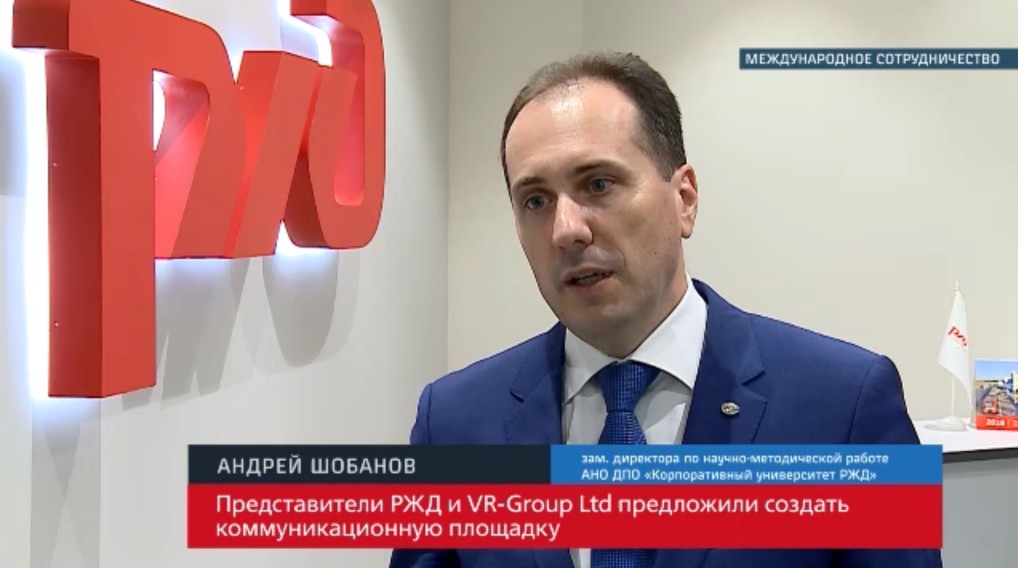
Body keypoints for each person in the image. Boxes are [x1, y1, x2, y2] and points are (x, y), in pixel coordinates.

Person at [389, 51, 942, 568]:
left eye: (598, 184)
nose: (565, 230)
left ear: (684, 198)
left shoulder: (846, 404)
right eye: (536, 200)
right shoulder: (454, 422)